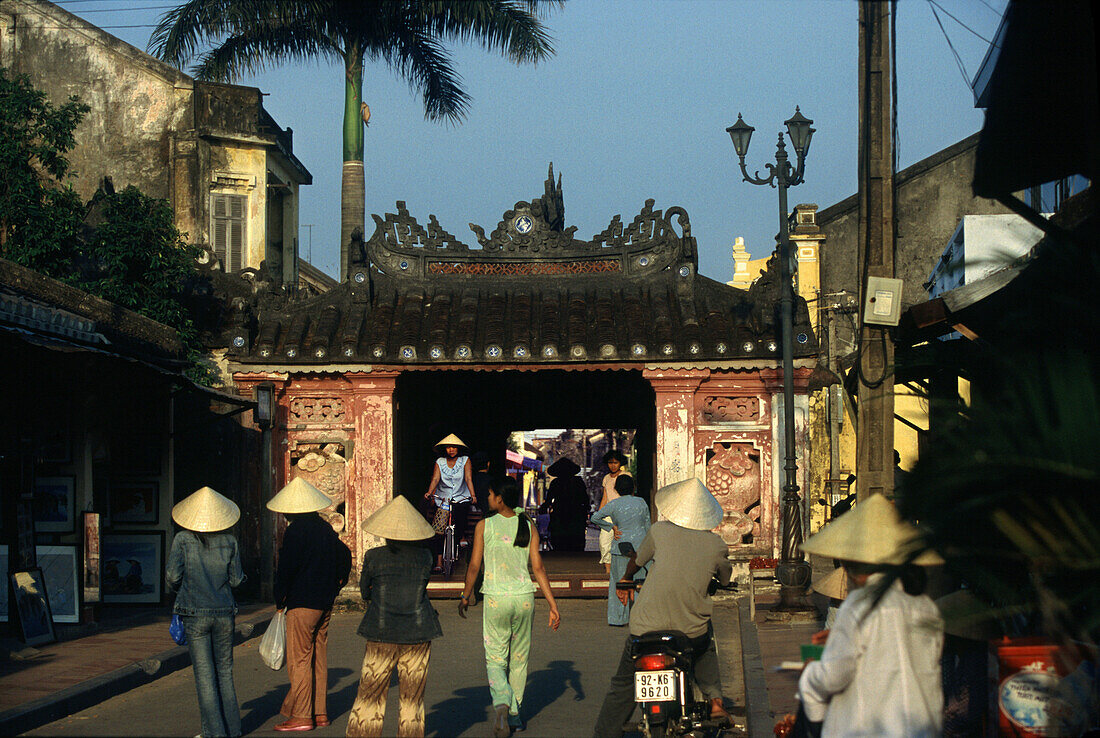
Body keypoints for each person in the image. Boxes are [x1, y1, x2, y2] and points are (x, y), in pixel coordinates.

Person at [797, 493, 945, 738]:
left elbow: (834, 675)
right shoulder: (924, 606)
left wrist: (810, 674)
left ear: (852, 567)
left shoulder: (859, 605)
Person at [593, 478, 733, 737]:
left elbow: (637, 560)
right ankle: (716, 702)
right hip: (690, 631)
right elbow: (725, 578)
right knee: (705, 648)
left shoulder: (659, 531)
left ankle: (604, 733)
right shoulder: (716, 545)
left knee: (622, 685)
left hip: (645, 628)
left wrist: (625, 577)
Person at [459, 476, 561, 737]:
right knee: (519, 659)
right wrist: (552, 604)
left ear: (500, 498)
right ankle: (515, 716)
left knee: (495, 657)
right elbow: (537, 567)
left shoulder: (485, 526)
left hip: (495, 598)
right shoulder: (528, 524)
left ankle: (503, 701)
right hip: (524, 597)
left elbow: (474, 566)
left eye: (491, 494)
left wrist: (465, 595)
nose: (488, 498)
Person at [347, 496, 442, 738]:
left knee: (370, 694)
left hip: (381, 631)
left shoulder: (374, 557)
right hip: (419, 631)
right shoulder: (425, 558)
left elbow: (364, 590)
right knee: (412, 699)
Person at [267, 477, 353, 732]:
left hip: (302, 603)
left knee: (300, 660)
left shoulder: (296, 531)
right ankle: (320, 712)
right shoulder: (325, 529)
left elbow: (286, 569)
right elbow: (345, 555)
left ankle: (303, 716)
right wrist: (336, 586)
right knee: (318, 658)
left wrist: (279, 598)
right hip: (324, 602)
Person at [166, 486, 246, 738]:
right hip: (224, 612)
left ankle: (214, 733)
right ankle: (232, 729)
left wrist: (179, 588)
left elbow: (172, 576)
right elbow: (236, 581)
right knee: (224, 671)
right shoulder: (230, 541)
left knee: (204, 674)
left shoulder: (183, 539)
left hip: (194, 612)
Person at [590, 475, 650, 626]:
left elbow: (595, 518)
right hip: (640, 547)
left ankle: (618, 618)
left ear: (616, 489)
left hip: (620, 546)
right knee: (639, 583)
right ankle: (639, 618)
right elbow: (647, 525)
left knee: (618, 583)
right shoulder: (641, 502)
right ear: (633, 488)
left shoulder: (614, 504)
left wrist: (611, 527)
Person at [423, 434, 477, 572]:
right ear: (444, 449)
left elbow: (468, 478)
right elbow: (435, 479)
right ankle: (440, 562)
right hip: (443, 499)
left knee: (460, 520)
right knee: (439, 531)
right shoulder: (439, 462)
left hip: (460, 497)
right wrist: (429, 492)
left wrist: (473, 495)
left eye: (454, 447)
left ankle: (460, 539)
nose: (451, 450)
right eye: (448, 447)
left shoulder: (465, 460)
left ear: (458, 448)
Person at [544, 457, 589, 552]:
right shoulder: (578, 482)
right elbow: (585, 499)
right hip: (576, 515)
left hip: (560, 515)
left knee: (558, 543)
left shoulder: (555, 483)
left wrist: (543, 508)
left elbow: (548, 501)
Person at [597, 451, 631, 572]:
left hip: (623, 513)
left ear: (620, 463)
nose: (613, 465)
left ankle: (624, 570)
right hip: (608, 514)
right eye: (610, 463)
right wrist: (599, 514)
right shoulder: (606, 478)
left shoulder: (626, 475)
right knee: (604, 540)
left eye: (615, 462)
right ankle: (608, 569)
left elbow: (630, 494)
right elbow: (605, 497)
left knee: (623, 540)